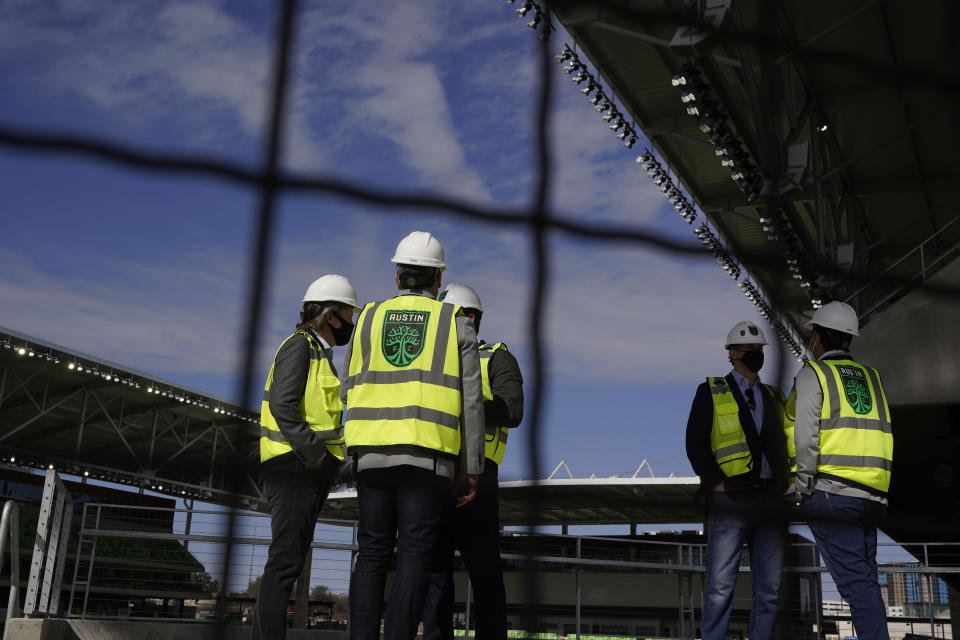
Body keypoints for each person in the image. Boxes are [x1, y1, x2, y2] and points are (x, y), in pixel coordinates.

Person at [343, 231, 486, 640]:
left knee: (370, 553)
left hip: (370, 454)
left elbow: (347, 386)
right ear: (438, 280)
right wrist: (470, 467)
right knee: (414, 555)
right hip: (428, 457)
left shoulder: (367, 318)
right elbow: (470, 404)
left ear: (397, 278)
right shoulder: (454, 322)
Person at [253, 275, 362, 640]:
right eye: (349, 313)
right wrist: (317, 460)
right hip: (293, 468)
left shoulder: (319, 354)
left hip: (305, 471)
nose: (352, 321)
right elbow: (283, 406)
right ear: (331, 316)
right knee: (284, 565)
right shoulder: (299, 347)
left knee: (288, 563)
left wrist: (332, 470)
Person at [423, 283, 524, 640]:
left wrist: (464, 407)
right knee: (434, 573)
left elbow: (512, 410)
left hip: (478, 476)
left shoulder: (496, 357)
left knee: (484, 573)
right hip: (434, 472)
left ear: (469, 319)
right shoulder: (434, 362)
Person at [793, 301, 893, 640]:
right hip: (873, 497)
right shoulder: (872, 377)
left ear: (818, 337)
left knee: (855, 587)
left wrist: (802, 486)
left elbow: (806, 437)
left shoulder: (814, 373)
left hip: (833, 494)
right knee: (865, 584)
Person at [684, 321, 789, 640]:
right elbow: (695, 443)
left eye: (759, 349)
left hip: (770, 500)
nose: (756, 354)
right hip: (730, 499)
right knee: (719, 588)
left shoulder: (774, 395)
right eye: (749, 349)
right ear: (732, 353)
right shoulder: (710, 390)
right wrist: (717, 483)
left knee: (769, 590)